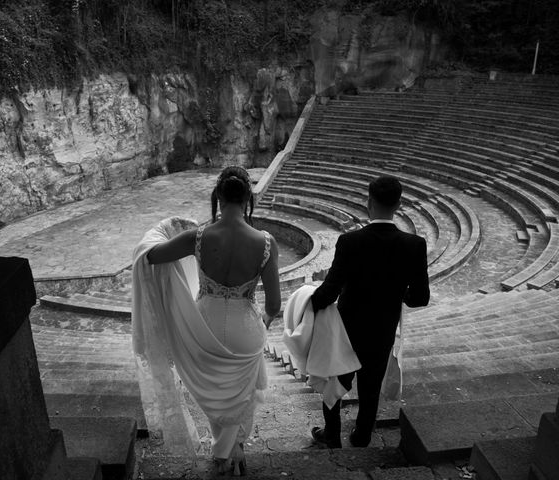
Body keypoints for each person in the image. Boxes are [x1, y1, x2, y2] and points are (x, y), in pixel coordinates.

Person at [143, 166, 281, 475]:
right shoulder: (266, 243)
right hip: (246, 328)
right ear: (248, 198)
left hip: (203, 326)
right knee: (241, 393)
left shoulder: (198, 237)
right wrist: (263, 325)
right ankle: (236, 447)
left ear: (217, 196)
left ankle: (222, 454)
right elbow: (274, 304)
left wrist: (164, 228)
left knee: (216, 394)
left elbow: (150, 256)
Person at [309, 175, 430, 448]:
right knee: (371, 386)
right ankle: (362, 436)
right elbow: (420, 298)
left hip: (346, 330)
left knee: (335, 384)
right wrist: (398, 294)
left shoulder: (350, 242)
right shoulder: (414, 245)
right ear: (398, 205)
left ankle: (332, 436)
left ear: (368, 202)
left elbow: (329, 291)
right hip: (382, 330)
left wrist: (307, 305)